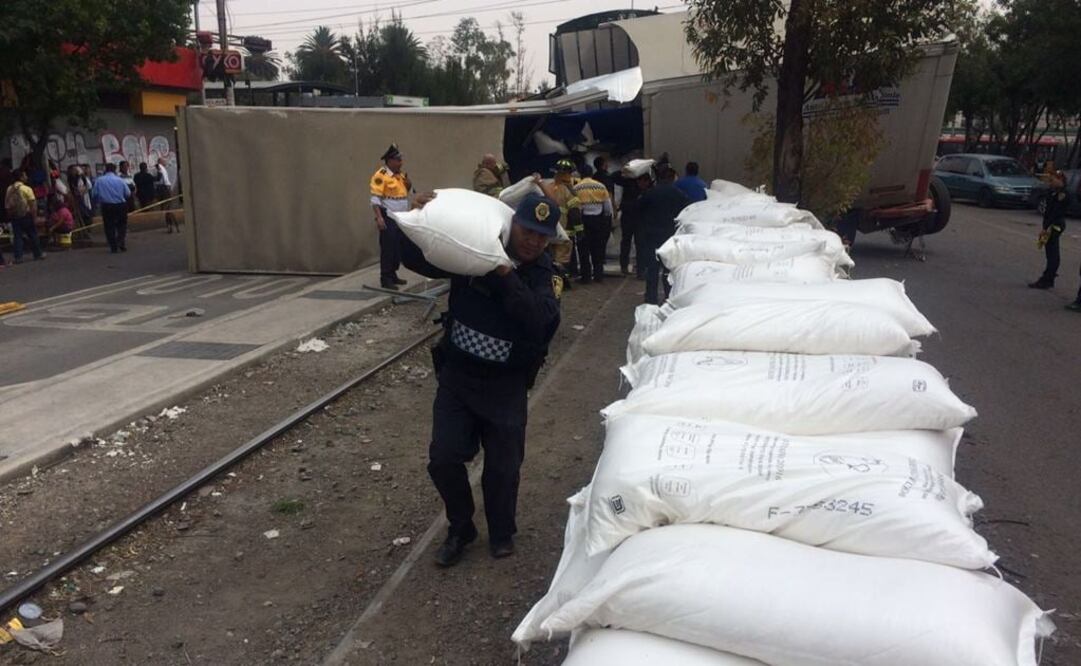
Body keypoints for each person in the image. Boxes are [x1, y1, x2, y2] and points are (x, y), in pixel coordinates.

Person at [399, 191, 562, 567]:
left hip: (505, 387)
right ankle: (461, 526)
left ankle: (502, 531)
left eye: (542, 236)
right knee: (443, 458)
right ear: (512, 225)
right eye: (527, 231)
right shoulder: (474, 250)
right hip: (458, 379)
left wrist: (504, 274)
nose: (533, 241)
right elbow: (420, 261)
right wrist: (412, 219)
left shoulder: (542, 275)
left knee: (503, 469)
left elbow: (540, 321)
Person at [637, 165, 689, 304]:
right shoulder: (678, 194)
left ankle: (651, 298)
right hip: (670, 236)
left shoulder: (649, 193)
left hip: (651, 235)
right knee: (669, 267)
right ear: (672, 178)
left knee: (652, 267)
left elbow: (639, 211)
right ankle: (669, 296)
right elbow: (686, 212)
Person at [369, 143, 413, 289]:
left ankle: (393, 274)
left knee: (397, 247)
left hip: (400, 216)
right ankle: (385, 278)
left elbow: (404, 193)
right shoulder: (381, 175)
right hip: (388, 215)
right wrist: (379, 218)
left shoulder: (400, 175)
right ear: (390, 161)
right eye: (398, 160)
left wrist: (408, 184)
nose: (401, 163)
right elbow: (375, 199)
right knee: (388, 247)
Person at [572, 164, 614, 283]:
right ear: (591, 173)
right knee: (598, 248)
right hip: (598, 221)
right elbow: (607, 207)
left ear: (581, 174)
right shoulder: (600, 186)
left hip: (583, 221)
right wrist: (607, 221)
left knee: (583, 249)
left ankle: (586, 276)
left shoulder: (576, 188)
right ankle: (598, 275)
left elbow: (575, 207)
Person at [1029, 171, 1069, 290]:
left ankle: (1048, 278)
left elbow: (1056, 212)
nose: (1050, 183)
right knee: (1049, 251)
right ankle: (1049, 276)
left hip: (1055, 225)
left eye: (1052, 180)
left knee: (1052, 252)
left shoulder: (1063, 194)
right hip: (1049, 224)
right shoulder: (1053, 192)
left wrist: (1046, 228)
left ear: (1060, 180)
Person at [4, 169, 45, 263]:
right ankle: (38, 253)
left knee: (17, 237)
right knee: (32, 234)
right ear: (21, 177)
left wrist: (9, 215)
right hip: (26, 215)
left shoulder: (9, 189)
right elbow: (33, 204)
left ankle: (18, 257)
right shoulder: (26, 189)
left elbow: (7, 204)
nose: (26, 177)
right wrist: (35, 217)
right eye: (25, 175)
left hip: (15, 216)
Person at [92, 162, 132, 253]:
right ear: (115, 170)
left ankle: (113, 246)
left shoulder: (99, 180)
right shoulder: (120, 180)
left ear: (105, 170)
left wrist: (100, 199)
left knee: (109, 226)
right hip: (120, 205)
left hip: (107, 206)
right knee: (122, 225)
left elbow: (94, 194)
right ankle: (120, 242)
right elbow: (128, 193)